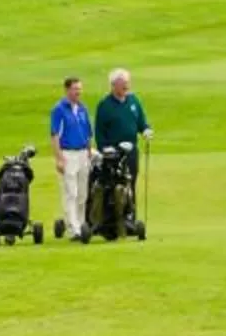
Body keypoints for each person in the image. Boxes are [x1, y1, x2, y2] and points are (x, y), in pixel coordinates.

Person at [94, 69, 154, 220]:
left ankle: (130, 217)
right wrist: (104, 149)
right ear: (113, 85)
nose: (127, 86)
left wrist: (146, 130)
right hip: (112, 153)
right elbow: (99, 131)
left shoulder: (133, 101)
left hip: (131, 152)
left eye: (128, 83)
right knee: (113, 185)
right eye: (123, 84)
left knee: (130, 182)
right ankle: (111, 218)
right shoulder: (104, 105)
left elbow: (141, 122)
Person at [47, 76, 95, 238]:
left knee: (82, 194)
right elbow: (55, 136)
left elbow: (88, 133)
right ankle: (74, 228)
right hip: (68, 154)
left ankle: (81, 224)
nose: (78, 92)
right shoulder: (59, 109)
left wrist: (89, 152)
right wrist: (59, 158)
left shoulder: (82, 108)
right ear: (67, 90)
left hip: (82, 154)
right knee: (71, 192)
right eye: (75, 89)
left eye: (80, 89)